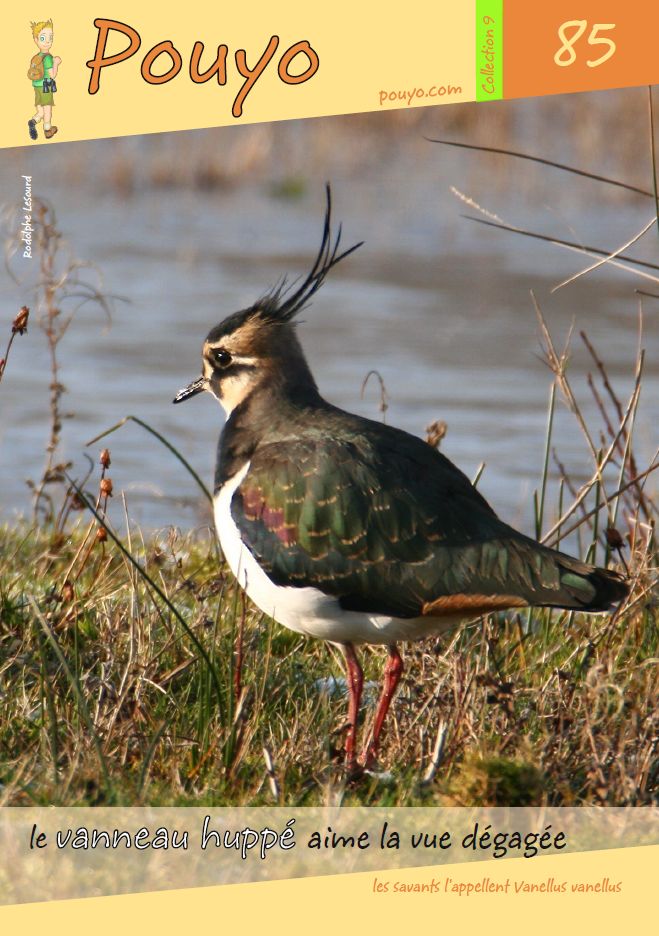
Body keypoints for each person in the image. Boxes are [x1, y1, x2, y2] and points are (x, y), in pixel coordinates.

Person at [28, 19, 61, 141]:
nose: (48, 41)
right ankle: (47, 130)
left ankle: (33, 121)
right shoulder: (48, 58)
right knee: (47, 110)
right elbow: (52, 75)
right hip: (46, 86)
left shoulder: (36, 57)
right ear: (36, 40)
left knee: (40, 112)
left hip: (36, 86)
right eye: (43, 38)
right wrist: (56, 63)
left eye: (50, 37)